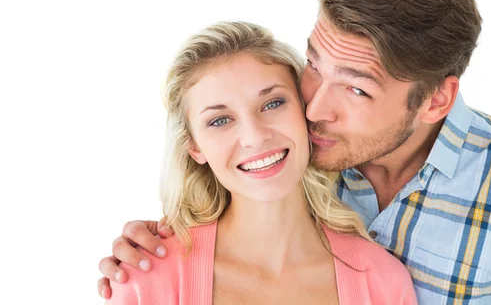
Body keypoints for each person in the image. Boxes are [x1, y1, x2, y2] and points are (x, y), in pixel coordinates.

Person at [99, 0, 491, 303]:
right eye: (315, 64)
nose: (313, 108)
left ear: (435, 100)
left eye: (357, 88)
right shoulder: (306, 151)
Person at [106, 21, 417, 304]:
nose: (255, 137)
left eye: (272, 103)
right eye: (220, 121)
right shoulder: (146, 280)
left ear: (305, 111)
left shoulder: (382, 282)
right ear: (194, 147)